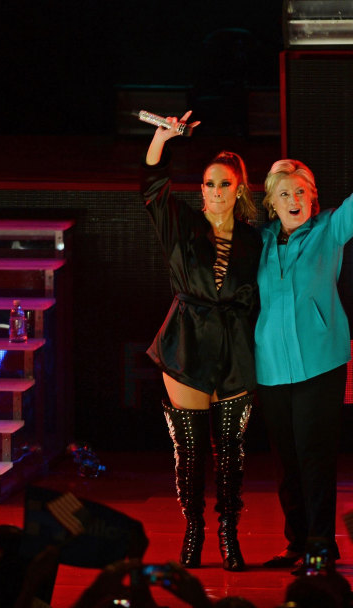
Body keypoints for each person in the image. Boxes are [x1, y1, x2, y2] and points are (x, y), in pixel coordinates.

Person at [255, 117, 353, 570]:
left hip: (319, 364)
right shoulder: (262, 242)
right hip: (271, 367)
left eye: (302, 191)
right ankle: (296, 544)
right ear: (271, 203)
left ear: (314, 197)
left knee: (314, 457)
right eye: (285, 193)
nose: (294, 199)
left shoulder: (329, 229)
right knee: (286, 463)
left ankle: (320, 547)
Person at [141, 111, 262, 571]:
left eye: (224, 184)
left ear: (239, 190)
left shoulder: (256, 241)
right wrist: (162, 138)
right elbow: (152, 187)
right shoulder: (183, 227)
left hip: (235, 351)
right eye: (209, 184)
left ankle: (229, 536)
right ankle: (193, 533)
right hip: (187, 345)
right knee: (189, 453)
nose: (214, 192)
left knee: (230, 454)